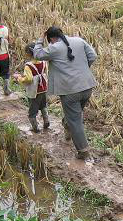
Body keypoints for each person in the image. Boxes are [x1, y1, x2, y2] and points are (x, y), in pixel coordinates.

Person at [32, 26, 97, 160]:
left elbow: (37, 54)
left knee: (75, 120)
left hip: (70, 91)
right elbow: (93, 56)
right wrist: (83, 70)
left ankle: (84, 151)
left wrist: (40, 39)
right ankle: (67, 127)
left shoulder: (54, 47)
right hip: (87, 86)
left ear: (50, 39)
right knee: (74, 114)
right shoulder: (79, 40)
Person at [21, 43, 50, 133]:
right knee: (43, 106)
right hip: (43, 89)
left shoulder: (28, 66)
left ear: (28, 53)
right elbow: (46, 74)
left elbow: (28, 79)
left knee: (32, 111)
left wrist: (19, 78)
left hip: (34, 91)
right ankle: (46, 121)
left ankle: (35, 128)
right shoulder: (44, 62)